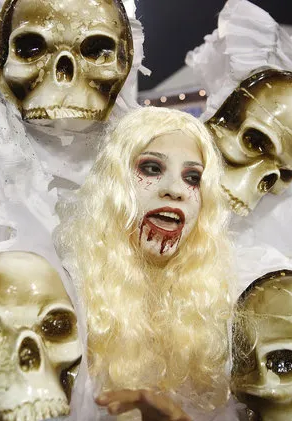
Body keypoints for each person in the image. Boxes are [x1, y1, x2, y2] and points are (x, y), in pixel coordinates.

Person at [57, 107, 232, 419]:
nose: (175, 190)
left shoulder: (219, 305)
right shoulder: (66, 294)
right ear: (115, 183)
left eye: (193, 177)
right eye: (151, 169)